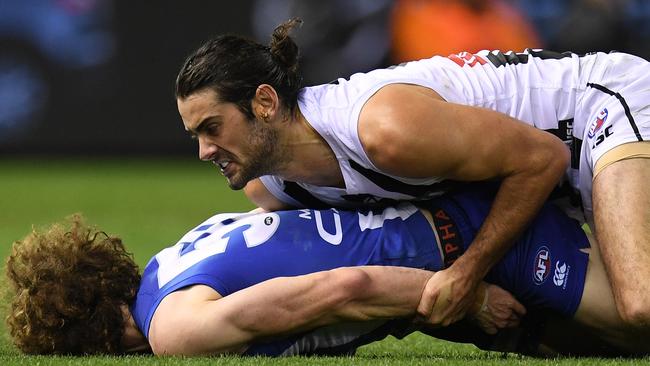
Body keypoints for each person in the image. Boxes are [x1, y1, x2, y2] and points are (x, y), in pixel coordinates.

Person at [174, 18, 650, 329]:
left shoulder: (383, 130)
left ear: (264, 103)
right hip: (552, 171)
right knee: (614, 336)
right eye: (195, 133)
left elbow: (541, 158)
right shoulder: (271, 184)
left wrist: (466, 275)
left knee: (640, 304)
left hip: (597, 107)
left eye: (212, 128)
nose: (204, 150)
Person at [5, 188, 645, 357]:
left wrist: (471, 297)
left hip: (471, 247)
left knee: (638, 322)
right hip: (440, 226)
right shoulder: (171, 257)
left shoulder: (171, 327)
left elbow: (345, 286)